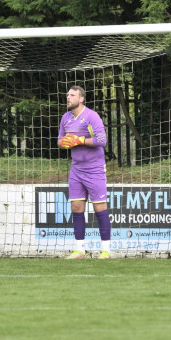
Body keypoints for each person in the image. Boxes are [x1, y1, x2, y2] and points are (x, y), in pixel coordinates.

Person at [58, 85, 112, 259]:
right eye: (67, 95)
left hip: (94, 168)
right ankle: (80, 250)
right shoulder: (65, 118)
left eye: (72, 95)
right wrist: (65, 142)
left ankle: (106, 250)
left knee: (99, 207)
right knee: (76, 206)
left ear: (81, 99)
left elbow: (102, 140)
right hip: (76, 169)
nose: (68, 97)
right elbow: (59, 141)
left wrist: (80, 140)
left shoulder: (91, 116)